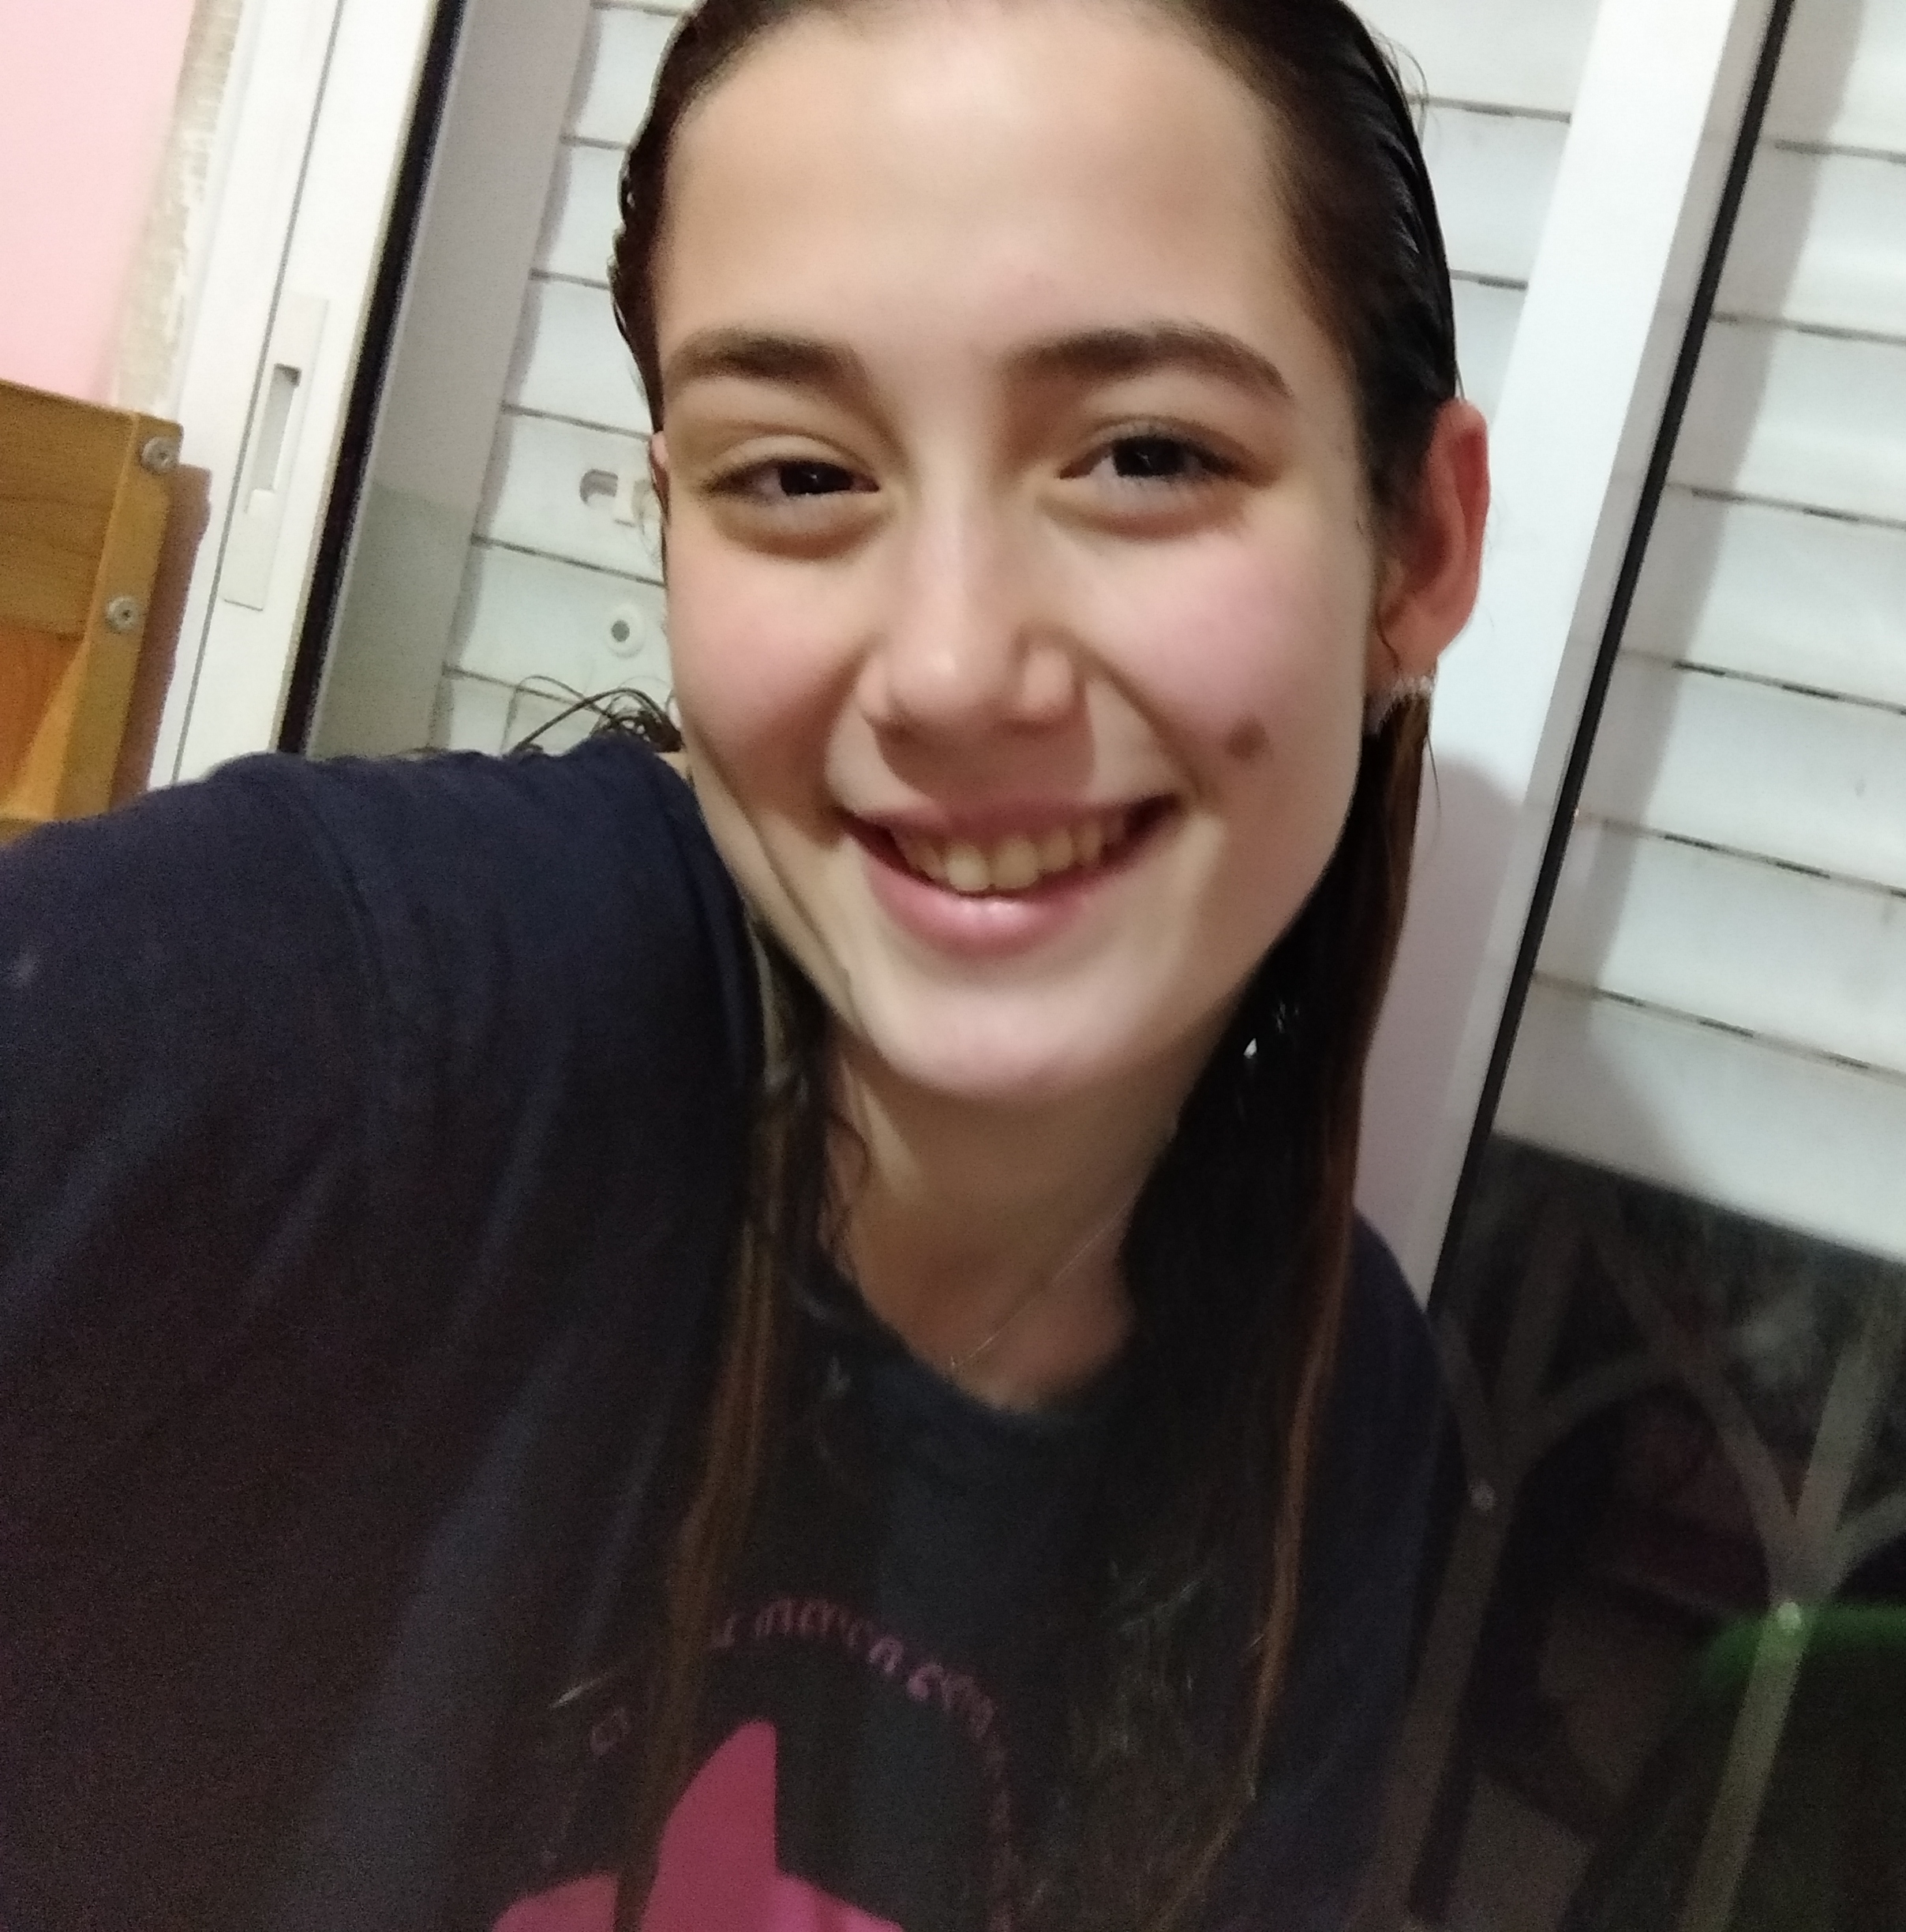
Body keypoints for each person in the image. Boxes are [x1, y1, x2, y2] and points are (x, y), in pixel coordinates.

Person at [0, 0, 1491, 1926]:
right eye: (795, 475)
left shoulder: (1333, 1427)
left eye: (1142, 454)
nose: (948, 669)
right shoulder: (346, 1033)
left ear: (1416, 546)